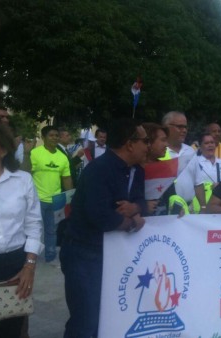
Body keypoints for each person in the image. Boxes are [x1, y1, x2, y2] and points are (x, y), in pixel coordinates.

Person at [60, 118, 147, 338]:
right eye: (145, 141)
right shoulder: (99, 170)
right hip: (83, 254)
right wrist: (132, 222)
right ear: (129, 143)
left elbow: (141, 202)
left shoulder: (136, 170)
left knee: (105, 317)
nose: (147, 145)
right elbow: (101, 216)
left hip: (111, 255)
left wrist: (135, 208)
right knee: (84, 321)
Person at [0, 117, 43, 338]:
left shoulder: (23, 181)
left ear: (2, 150)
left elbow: (33, 224)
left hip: (14, 265)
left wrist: (29, 265)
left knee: (10, 329)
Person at [26, 126, 72, 263]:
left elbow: (67, 178)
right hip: (36, 200)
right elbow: (27, 174)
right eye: (51, 135)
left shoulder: (62, 157)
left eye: (56, 135)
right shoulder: (34, 153)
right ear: (43, 137)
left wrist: (69, 198)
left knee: (52, 230)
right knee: (32, 229)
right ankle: (29, 256)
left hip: (55, 201)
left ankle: (50, 256)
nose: (55, 138)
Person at [194, 133, 221, 212]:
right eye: (206, 143)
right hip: (201, 206)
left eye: (212, 142)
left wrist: (220, 186)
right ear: (200, 147)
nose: (210, 145)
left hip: (220, 205)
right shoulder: (194, 161)